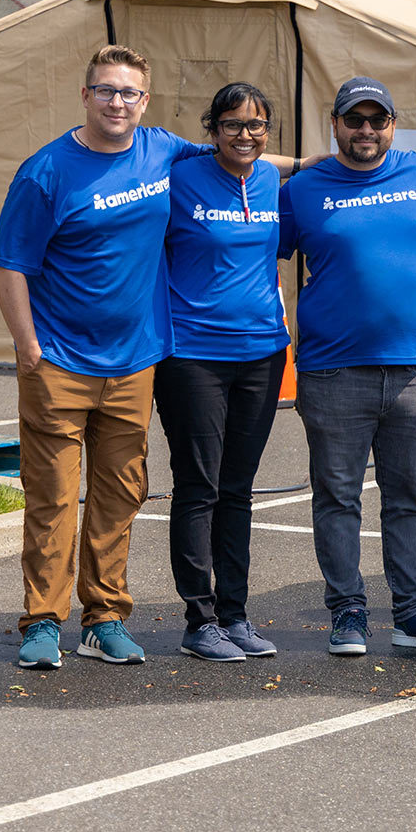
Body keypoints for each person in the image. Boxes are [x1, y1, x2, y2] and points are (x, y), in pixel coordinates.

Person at [0, 46, 214, 669]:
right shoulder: (47, 172)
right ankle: (42, 621)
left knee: (120, 496)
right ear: (85, 96)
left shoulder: (161, 148)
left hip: (134, 362)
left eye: (130, 94)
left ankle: (104, 618)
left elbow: (234, 152)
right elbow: (8, 263)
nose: (118, 102)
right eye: (107, 91)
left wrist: (311, 160)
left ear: (145, 101)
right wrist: (28, 348)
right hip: (59, 363)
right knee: (54, 498)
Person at [279, 76, 416, 656]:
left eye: (377, 120)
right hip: (332, 370)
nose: (366, 130)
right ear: (334, 124)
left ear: (392, 124)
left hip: (412, 368)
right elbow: (259, 252)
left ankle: (412, 613)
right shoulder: (303, 187)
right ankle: (347, 613)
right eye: (354, 120)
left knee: (407, 498)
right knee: (337, 497)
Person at [154, 82, 292, 663]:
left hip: (261, 353)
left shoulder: (273, 183)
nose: (245, 135)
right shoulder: (178, 176)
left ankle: (234, 614)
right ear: (211, 129)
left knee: (238, 489)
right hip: (192, 355)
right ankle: (198, 619)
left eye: (257, 126)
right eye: (233, 125)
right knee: (199, 485)